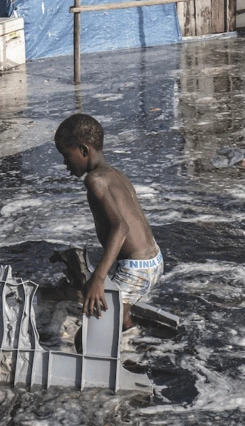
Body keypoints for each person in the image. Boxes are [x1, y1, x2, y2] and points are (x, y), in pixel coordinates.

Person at [54, 113, 163, 333]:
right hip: (154, 260)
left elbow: (121, 227)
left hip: (136, 269)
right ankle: (135, 349)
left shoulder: (94, 180)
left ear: (83, 151)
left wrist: (99, 278)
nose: (65, 164)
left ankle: (128, 359)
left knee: (94, 335)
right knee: (119, 319)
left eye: (66, 156)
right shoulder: (116, 174)